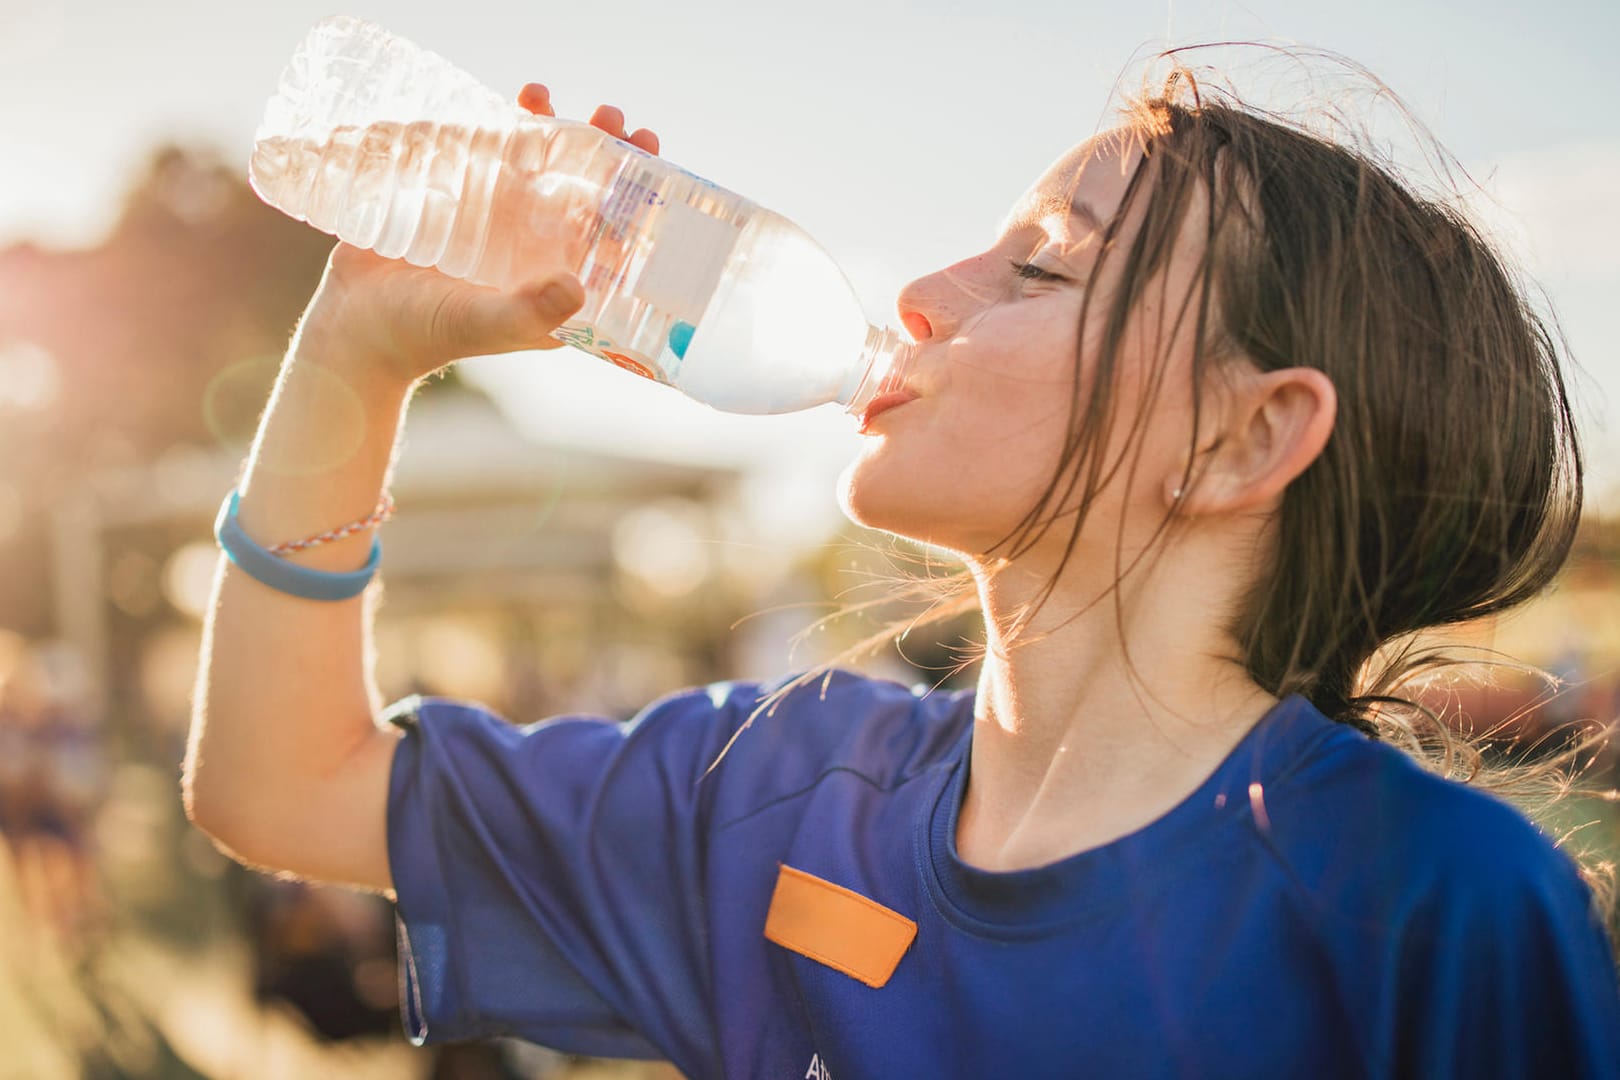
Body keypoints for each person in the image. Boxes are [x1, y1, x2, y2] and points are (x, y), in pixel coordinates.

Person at [184, 63, 1620, 1078]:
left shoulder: (1434, 905)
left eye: (1042, 270)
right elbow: (282, 786)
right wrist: (356, 356)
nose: (923, 297)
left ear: (1246, 437)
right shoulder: (781, 793)